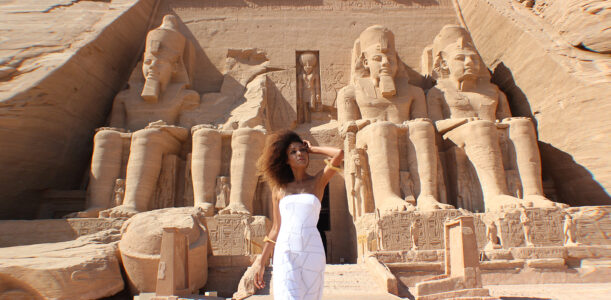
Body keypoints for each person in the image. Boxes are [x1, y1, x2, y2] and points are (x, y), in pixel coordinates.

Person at [250, 130, 343, 300]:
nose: (299, 154)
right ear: (286, 160)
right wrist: (260, 263)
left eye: (302, 150)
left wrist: (313, 148)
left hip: (312, 250)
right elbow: (275, 229)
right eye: (293, 152)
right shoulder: (279, 189)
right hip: (285, 250)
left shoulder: (318, 182)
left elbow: (339, 154)